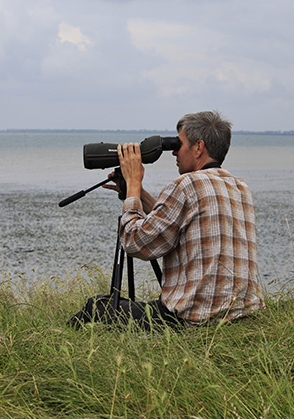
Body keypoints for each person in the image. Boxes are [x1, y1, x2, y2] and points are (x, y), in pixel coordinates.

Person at [71, 111, 265, 331]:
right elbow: (176, 224)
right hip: (241, 317)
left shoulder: (186, 184)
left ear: (199, 147)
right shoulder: (240, 187)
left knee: (96, 306)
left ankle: (60, 338)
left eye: (179, 144)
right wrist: (139, 193)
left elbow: (135, 242)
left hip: (193, 320)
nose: (173, 151)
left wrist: (133, 183)